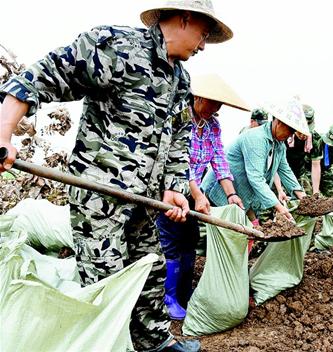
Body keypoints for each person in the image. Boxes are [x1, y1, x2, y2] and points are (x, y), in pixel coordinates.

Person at [0, 1, 233, 350]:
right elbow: (45, 74)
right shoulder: (115, 46)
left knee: (150, 274)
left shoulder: (180, 80)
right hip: (100, 201)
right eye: (203, 35)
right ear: (186, 19)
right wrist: (4, 133)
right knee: (108, 285)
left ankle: (154, 344)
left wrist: (174, 188)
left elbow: (177, 141)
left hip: (143, 204)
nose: (203, 46)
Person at [155, 73, 248, 320]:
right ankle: (167, 298)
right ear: (197, 97)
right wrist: (196, 193)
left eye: (219, 105)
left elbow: (219, 159)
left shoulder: (212, 126)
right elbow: (178, 162)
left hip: (194, 193)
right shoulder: (180, 117)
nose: (215, 109)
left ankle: (185, 294)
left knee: (190, 240)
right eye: (212, 103)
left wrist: (232, 194)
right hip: (170, 191)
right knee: (170, 242)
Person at [202, 97, 308, 222]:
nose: (291, 135)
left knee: (236, 235)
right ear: (279, 122)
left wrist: (303, 197)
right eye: (290, 130)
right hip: (220, 193)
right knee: (213, 233)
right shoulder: (256, 138)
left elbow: (285, 171)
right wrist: (279, 207)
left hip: (239, 196)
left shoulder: (279, 145)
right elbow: (256, 178)